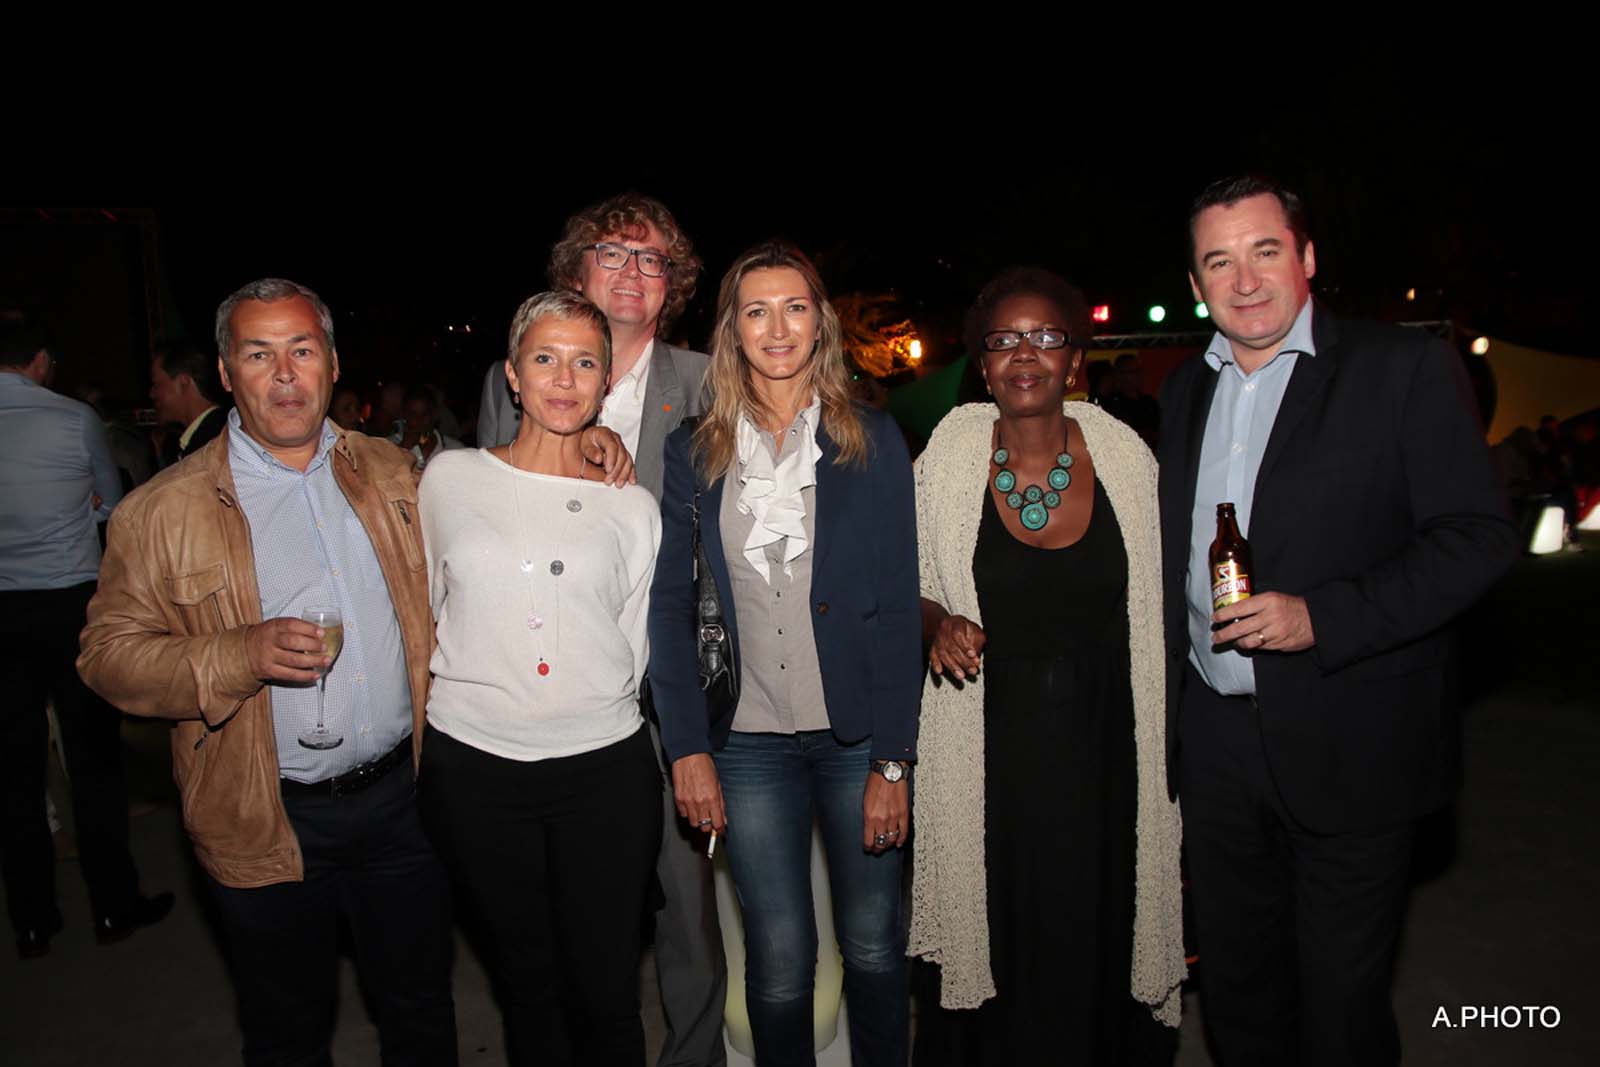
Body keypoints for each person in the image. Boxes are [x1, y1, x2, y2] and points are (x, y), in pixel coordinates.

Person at [1157, 176, 1519, 1065]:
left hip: (1354, 730)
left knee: (1341, 1003)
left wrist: (1323, 615)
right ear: (1196, 283)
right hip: (1216, 746)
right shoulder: (1185, 391)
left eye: (1265, 250)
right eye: (1219, 262)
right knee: (1239, 991)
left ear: (1308, 256)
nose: (1245, 280)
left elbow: (1477, 538)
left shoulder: (1400, 368)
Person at [78, 278, 460, 1065]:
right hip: (264, 815)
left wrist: (589, 450)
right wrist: (237, 653)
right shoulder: (161, 511)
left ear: (332, 363)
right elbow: (105, 656)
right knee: (287, 1033)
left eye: (302, 349)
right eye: (259, 354)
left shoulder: (393, 470)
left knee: (422, 1012)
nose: (285, 373)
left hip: (405, 802)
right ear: (226, 372)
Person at [648, 241, 921, 1067]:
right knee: (775, 960)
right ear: (732, 329)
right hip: (745, 741)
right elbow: (669, 604)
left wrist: (894, 760)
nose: (777, 327)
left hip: (855, 740)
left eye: (794, 307)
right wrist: (687, 747)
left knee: (873, 946)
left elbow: (898, 605)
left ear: (820, 323)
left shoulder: (872, 438)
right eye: (756, 310)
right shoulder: (694, 449)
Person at [909, 268, 1185, 1064]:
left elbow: (1164, 602)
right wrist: (937, 623)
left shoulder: (1126, 458)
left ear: (1075, 360)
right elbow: (906, 585)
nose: (1024, 354)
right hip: (989, 749)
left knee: (1099, 927)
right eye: (1004, 340)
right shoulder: (947, 458)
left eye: (1045, 337)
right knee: (999, 933)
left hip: (1108, 752)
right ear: (982, 364)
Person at [479, 192, 727, 1067]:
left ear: (672, 285)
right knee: (574, 914)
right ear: (575, 270)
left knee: (690, 911)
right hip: (558, 691)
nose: (632, 272)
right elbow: (493, 526)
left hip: (674, 690)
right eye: (612, 253)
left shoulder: (708, 381)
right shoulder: (514, 378)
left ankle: (693, 1056)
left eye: (651, 259)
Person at [418, 291, 662, 1066]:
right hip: (474, 770)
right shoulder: (447, 478)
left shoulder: (633, 506)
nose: (563, 378)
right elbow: (430, 606)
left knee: (608, 992)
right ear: (513, 375)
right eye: (545, 358)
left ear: (606, 382)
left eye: (584, 362)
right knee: (527, 987)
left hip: (604, 772)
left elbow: (631, 642)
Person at [1, 316, 172, 959]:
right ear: (43, 360)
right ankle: (113, 906)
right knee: (94, 761)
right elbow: (110, 502)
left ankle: (32, 920)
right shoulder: (74, 419)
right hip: (69, 605)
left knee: (15, 771)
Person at [150, 337, 229, 463]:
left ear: (183, 383)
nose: (152, 394)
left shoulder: (210, 443)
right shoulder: (213, 433)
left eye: (156, 384)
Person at [391, 384, 462, 470]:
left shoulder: (454, 450)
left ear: (434, 415)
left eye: (425, 414)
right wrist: (403, 450)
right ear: (404, 415)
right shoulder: (388, 446)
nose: (419, 419)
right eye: (413, 414)